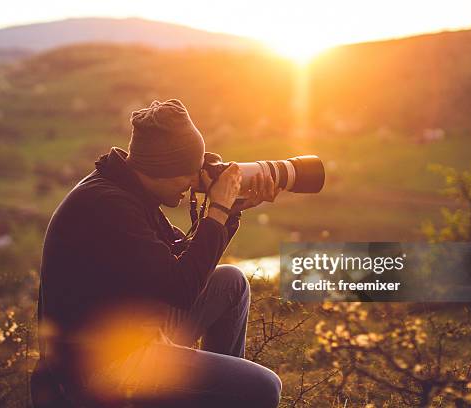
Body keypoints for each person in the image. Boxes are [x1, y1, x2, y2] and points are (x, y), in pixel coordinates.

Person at [31, 99, 282, 407]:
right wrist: (216, 209)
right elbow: (181, 287)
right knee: (263, 387)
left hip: (135, 335)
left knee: (231, 282)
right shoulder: (107, 205)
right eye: (188, 174)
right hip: (98, 370)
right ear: (162, 168)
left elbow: (182, 259)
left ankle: (215, 394)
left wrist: (229, 213)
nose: (193, 184)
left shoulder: (130, 189)